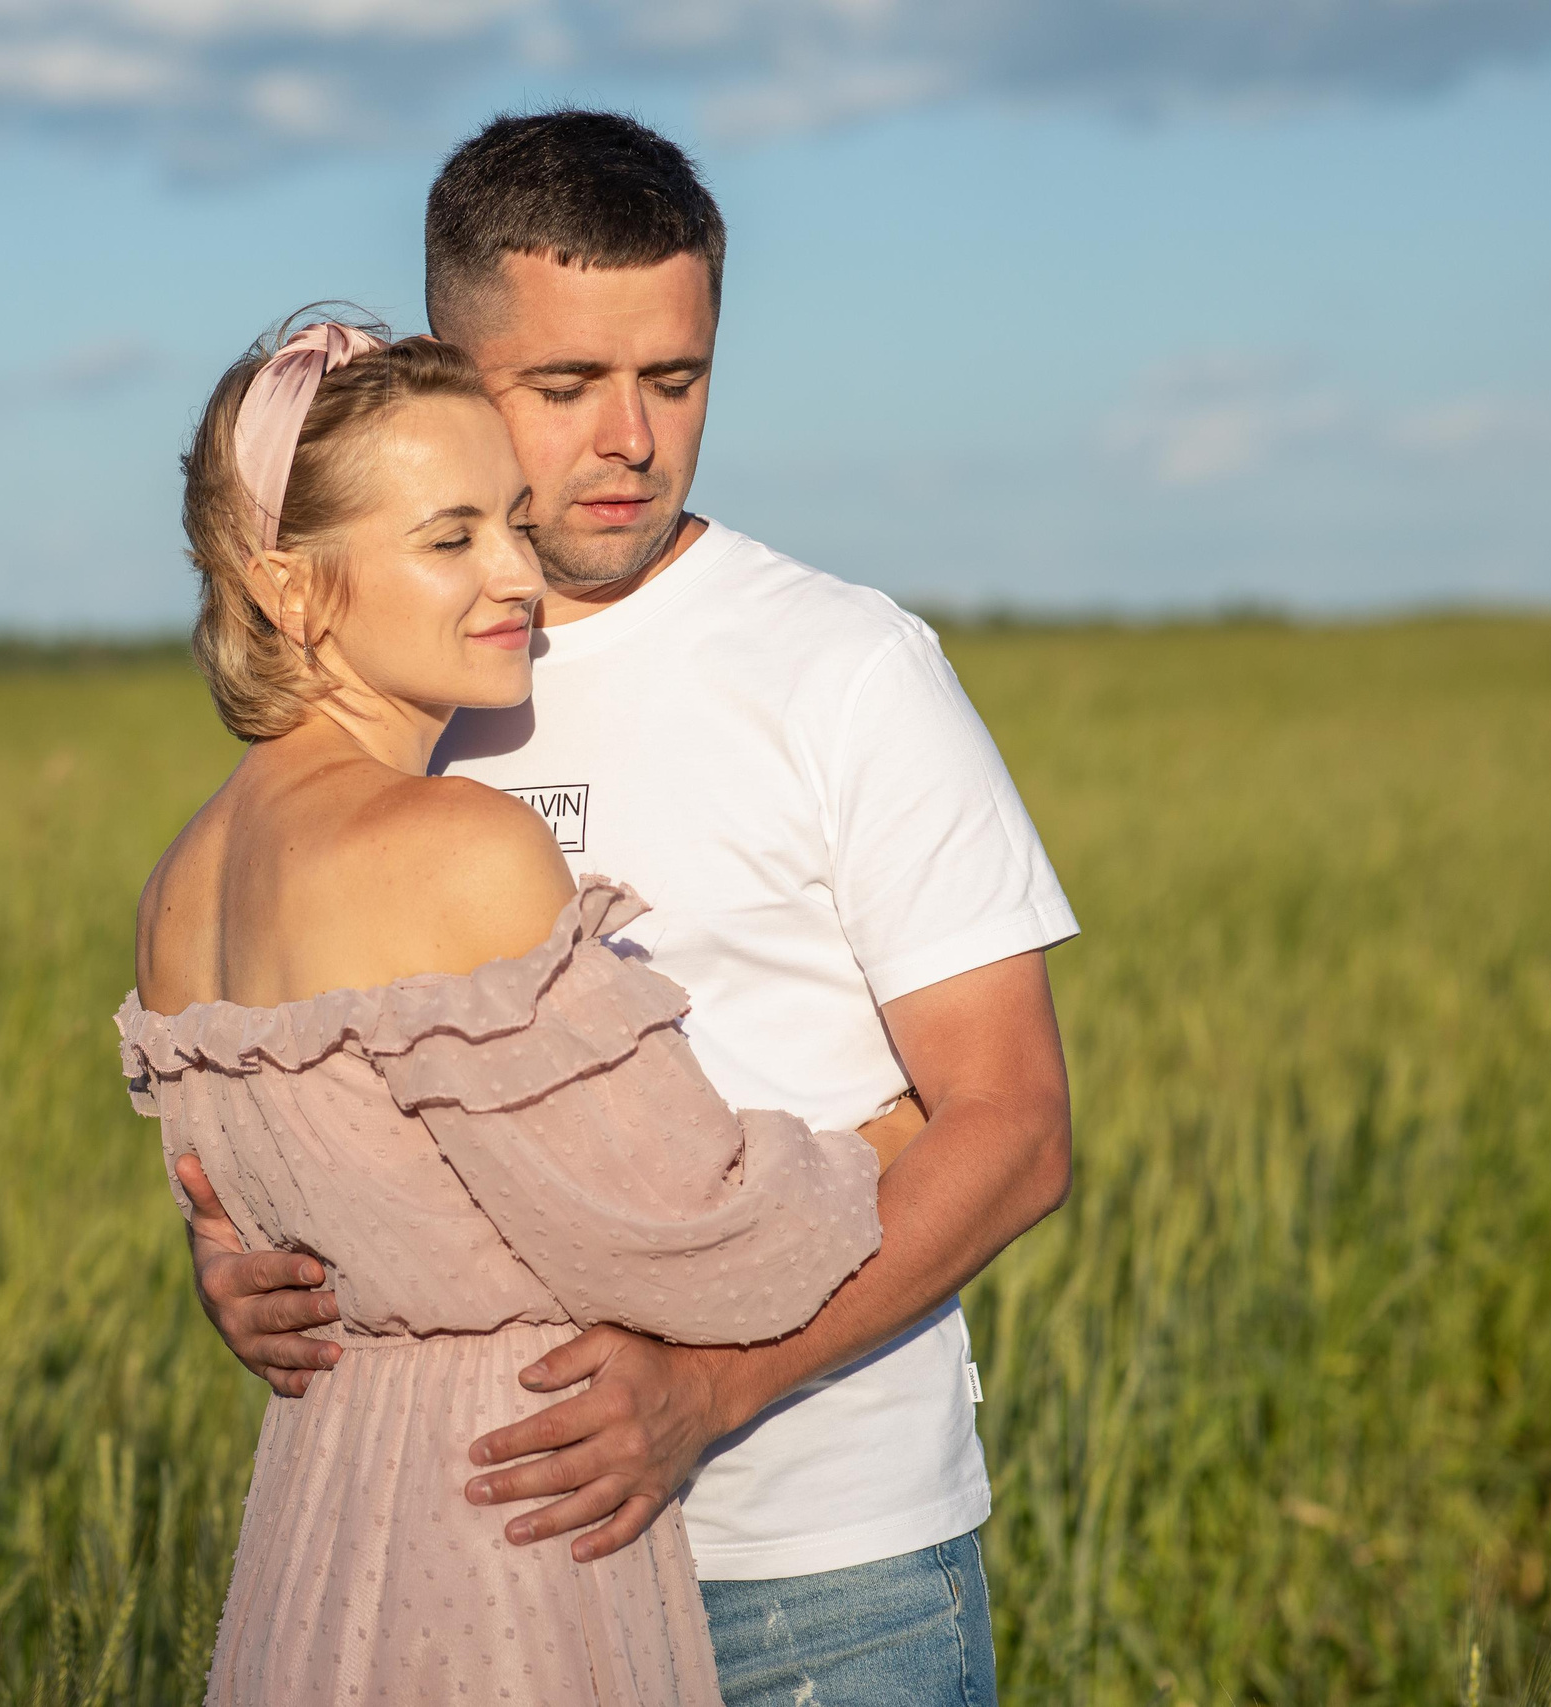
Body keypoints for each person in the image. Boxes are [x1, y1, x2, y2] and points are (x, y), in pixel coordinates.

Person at [176, 114, 1079, 1705]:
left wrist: (717, 1390)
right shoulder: (400, 676)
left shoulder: (849, 668)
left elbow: (1011, 1128)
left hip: (816, 1573)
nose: (630, 442)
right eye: (563, 386)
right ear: (443, 374)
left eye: (675, 379)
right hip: (482, 1579)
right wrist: (255, 1265)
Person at [120, 315, 909, 1702]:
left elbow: (250, 1238)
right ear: (289, 589)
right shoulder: (458, 843)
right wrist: (892, 1133)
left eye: (513, 525)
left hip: (321, 1511)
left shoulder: (182, 881)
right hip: (512, 1523)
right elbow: (684, 1232)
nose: (516, 578)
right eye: (450, 538)